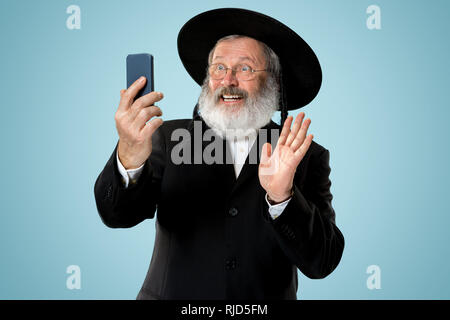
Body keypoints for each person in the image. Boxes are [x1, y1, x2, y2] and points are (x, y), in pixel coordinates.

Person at [94, 8, 344, 300]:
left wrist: (283, 198)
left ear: (274, 83)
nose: (228, 80)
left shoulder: (306, 154)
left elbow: (322, 262)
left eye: (245, 68)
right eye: (219, 68)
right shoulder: (166, 138)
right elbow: (116, 216)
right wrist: (129, 155)